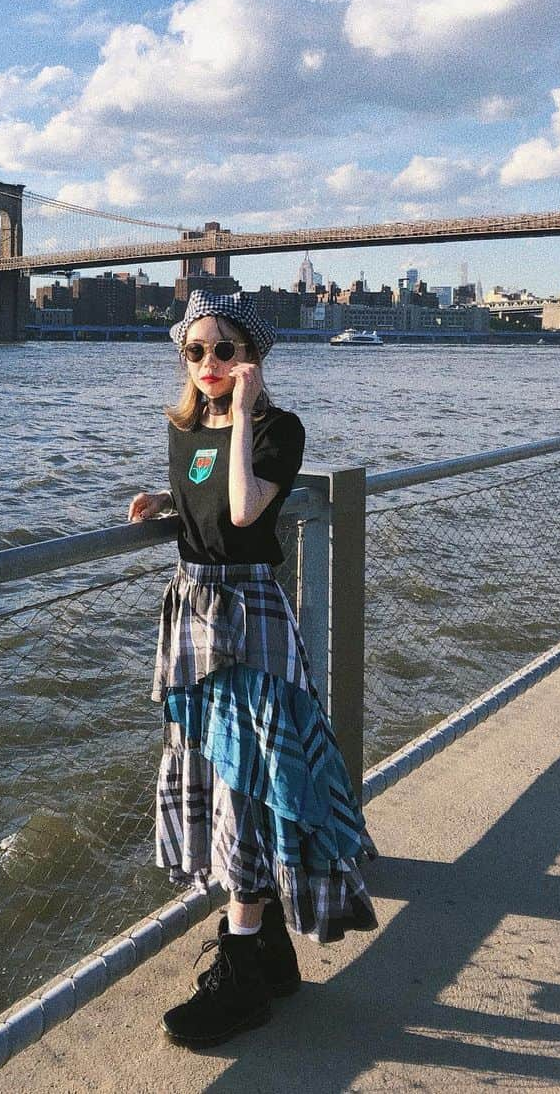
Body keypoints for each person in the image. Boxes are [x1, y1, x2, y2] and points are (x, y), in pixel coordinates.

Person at [128, 289, 376, 1049]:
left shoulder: (277, 430)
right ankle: (269, 955)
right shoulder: (183, 427)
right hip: (191, 614)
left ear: (253, 356)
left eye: (224, 350)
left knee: (250, 785)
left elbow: (242, 512)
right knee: (218, 774)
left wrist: (244, 408)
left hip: (247, 616)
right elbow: (203, 506)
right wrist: (164, 507)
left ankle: (241, 971)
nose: (208, 364)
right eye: (196, 351)